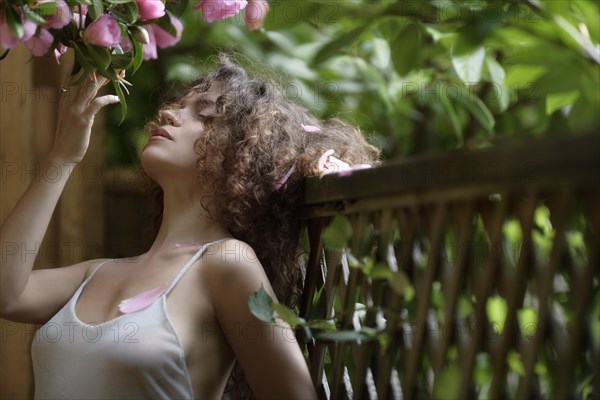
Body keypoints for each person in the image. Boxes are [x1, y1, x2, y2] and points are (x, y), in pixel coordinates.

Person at [0, 54, 380, 399]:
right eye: (177, 105)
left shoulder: (227, 263)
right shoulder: (95, 272)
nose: (168, 114)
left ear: (240, 153)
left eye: (203, 114)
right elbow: (7, 294)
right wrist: (63, 157)